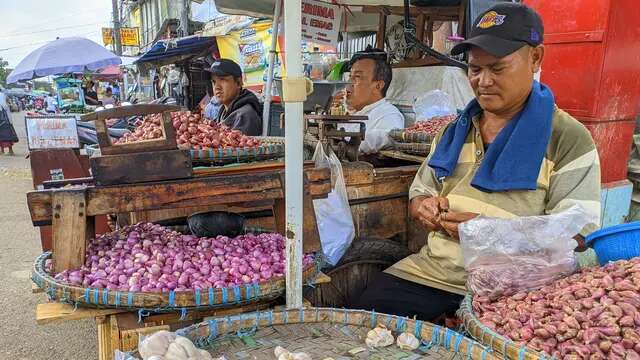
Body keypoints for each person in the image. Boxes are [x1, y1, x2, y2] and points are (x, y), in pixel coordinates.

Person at [355, 3, 601, 321]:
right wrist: (424, 207)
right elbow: (420, 192)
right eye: (474, 69)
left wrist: (492, 234)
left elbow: (578, 236)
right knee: (366, 314)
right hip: (436, 272)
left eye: (497, 69)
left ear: (536, 58)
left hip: (519, 286)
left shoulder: (566, 137)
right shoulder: (453, 130)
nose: (483, 81)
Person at [335, 47, 404, 154]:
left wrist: (339, 141)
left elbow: (385, 137)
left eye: (357, 77)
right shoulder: (353, 112)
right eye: (350, 77)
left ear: (378, 85)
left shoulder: (389, 115)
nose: (348, 83)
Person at [207, 59, 262, 136]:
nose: (217, 87)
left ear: (239, 83)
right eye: (214, 82)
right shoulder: (223, 110)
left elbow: (238, 146)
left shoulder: (244, 116)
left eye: (222, 80)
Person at [0, 90, 18, 155]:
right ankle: (7, 150)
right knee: (7, 134)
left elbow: (4, 106)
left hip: (3, 117)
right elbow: (8, 105)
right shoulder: (4, 95)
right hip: (6, 118)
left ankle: (6, 151)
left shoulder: (3, 95)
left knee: (5, 134)